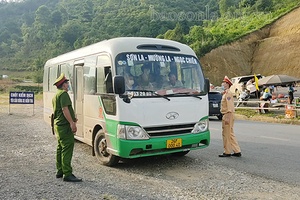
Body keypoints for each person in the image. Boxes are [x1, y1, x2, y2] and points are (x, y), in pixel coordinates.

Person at [52, 73, 82, 182]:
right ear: (63, 85)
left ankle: (60, 170)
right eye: (67, 83)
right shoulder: (63, 94)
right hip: (64, 126)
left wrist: (72, 118)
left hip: (58, 125)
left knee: (60, 148)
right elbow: (65, 109)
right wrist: (72, 123)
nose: (68, 85)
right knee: (67, 148)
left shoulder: (56, 95)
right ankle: (67, 173)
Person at [219, 76, 242, 158]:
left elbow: (230, 106)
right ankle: (237, 150)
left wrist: (228, 117)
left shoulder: (228, 93)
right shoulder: (226, 93)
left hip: (227, 114)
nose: (222, 84)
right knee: (230, 133)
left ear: (227, 84)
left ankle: (227, 151)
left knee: (226, 133)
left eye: (224, 82)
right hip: (228, 114)